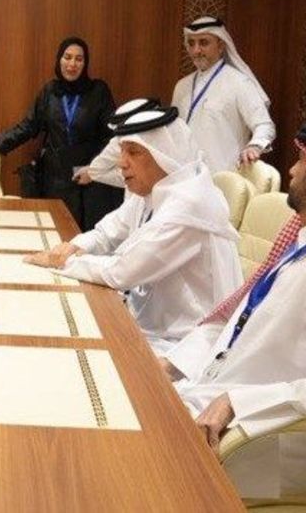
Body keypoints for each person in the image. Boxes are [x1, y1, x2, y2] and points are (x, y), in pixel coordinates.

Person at [155, 130, 306, 497]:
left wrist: (235, 403)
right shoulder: (298, 243)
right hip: (208, 396)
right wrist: (169, 365)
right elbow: (238, 323)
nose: (291, 169)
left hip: (265, 438)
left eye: (303, 160)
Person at [25, 108, 242, 354]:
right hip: (146, 322)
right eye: (121, 151)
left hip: (183, 344)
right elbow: (108, 231)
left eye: (134, 152)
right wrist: (75, 246)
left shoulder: (187, 205)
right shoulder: (154, 190)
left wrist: (62, 262)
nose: (121, 163)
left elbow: (121, 273)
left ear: (164, 154)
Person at [0, 37, 123, 230]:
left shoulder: (98, 91)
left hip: (89, 179)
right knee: (57, 231)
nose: (72, 64)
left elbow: (112, 136)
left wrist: (94, 169)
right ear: (59, 60)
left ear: (85, 63)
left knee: (85, 235)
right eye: (67, 57)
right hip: (56, 179)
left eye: (79, 59)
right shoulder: (50, 92)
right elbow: (28, 126)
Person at [171, 16, 275, 173]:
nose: (196, 50)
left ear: (220, 45)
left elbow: (264, 125)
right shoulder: (181, 86)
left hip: (224, 178)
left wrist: (255, 146)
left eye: (203, 43)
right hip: (186, 176)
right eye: (191, 43)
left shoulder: (239, 83)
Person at [76, 98, 161, 189]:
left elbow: (105, 161)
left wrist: (92, 172)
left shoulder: (129, 140)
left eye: (132, 152)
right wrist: (92, 173)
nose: (122, 163)